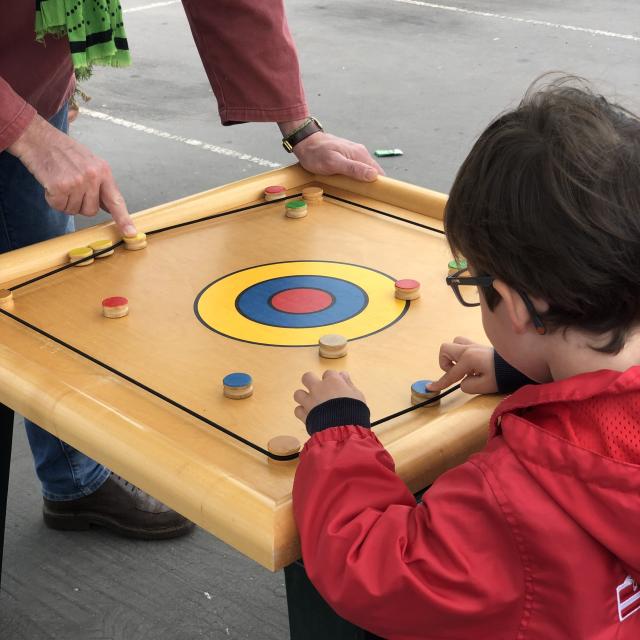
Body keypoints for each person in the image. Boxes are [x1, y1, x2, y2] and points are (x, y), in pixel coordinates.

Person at [0, 2, 382, 539]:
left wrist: (301, 130)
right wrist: (29, 136)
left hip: (30, 80)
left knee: (33, 302)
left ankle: (74, 482)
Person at [292, 77, 640, 639]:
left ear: (520, 306)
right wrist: (521, 369)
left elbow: (375, 569)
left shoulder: (511, 500)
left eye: (477, 285)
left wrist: (339, 434)